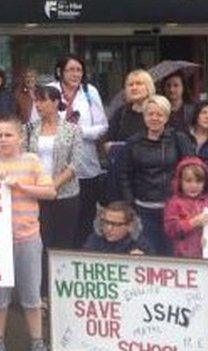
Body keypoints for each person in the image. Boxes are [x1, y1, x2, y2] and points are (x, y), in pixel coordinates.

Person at [0, 116, 55, 351]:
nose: (3, 139)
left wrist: (17, 185)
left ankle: (37, 342)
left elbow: (50, 192)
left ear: (20, 137)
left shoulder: (31, 160)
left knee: (31, 295)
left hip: (28, 237)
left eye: (8, 135)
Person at [119, 94, 194, 255]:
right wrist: (130, 202)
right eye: (150, 114)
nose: (154, 118)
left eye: (159, 114)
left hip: (173, 208)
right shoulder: (133, 142)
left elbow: (190, 170)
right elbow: (124, 174)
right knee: (150, 252)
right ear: (144, 116)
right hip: (143, 208)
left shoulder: (178, 139)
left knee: (173, 252)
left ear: (166, 117)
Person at [25, 86, 81, 298]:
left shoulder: (72, 129)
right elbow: (24, 158)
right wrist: (40, 187)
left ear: (56, 102)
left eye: (43, 100)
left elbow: (75, 164)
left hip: (65, 195)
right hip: (37, 195)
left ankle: (61, 291)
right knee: (40, 244)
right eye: (36, 101)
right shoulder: (30, 128)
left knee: (63, 244)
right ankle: (41, 292)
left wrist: (54, 185)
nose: (38, 105)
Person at [48, 54, 108, 248]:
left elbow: (102, 126)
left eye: (79, 70)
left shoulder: (90, 92)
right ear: (60, 72)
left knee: (85, 218)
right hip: (55, 168)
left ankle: (81, 254)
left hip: (86, 167)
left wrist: (79, 132)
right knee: (59, 219)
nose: (75, 74)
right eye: (70, 70)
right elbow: (35, 125)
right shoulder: (50, 90)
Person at [164, 157, 208, 258]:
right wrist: (193, 222)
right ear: (180, 182)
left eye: (199, 182)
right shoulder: (174, 203)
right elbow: (171, 229)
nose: (194, 185)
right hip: (184, 257)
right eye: (188, 181)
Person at [83, 201, 153, 254]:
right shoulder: (94, 240)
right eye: (106, 222)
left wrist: (141, 261)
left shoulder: (141, 245)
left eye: (115, 224)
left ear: (129, 226)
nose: (109, 228)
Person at [107, 69, 155, 143]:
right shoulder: (121, 113)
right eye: (130, 85)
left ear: (148, 87)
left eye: (139, 83)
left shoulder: (158, 110)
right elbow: (109, 142)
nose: (134, 88)